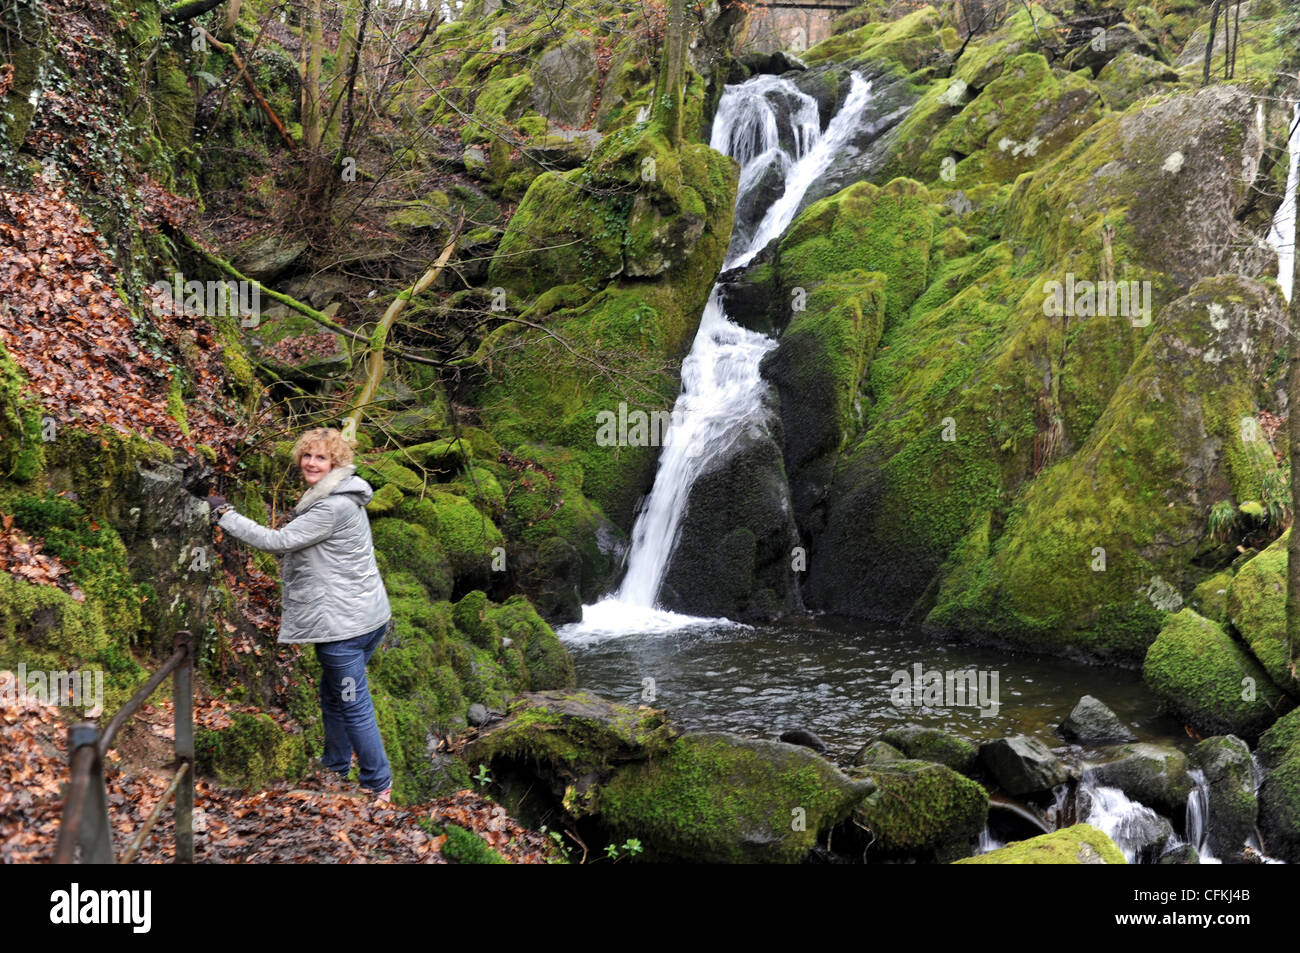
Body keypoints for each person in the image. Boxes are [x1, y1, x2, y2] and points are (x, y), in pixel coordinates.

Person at [205, 427, 394, 802]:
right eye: (307, 456)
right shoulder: (340, 495)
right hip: (367, 618)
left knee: (354, 706)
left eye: (320, 457)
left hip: (344, 631)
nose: (311, 463)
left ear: (335, 462)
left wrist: (224, 514)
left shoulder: (332, 506)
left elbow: (279, 542)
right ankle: (336, 768)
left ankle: (378, 785)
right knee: (335, 697)